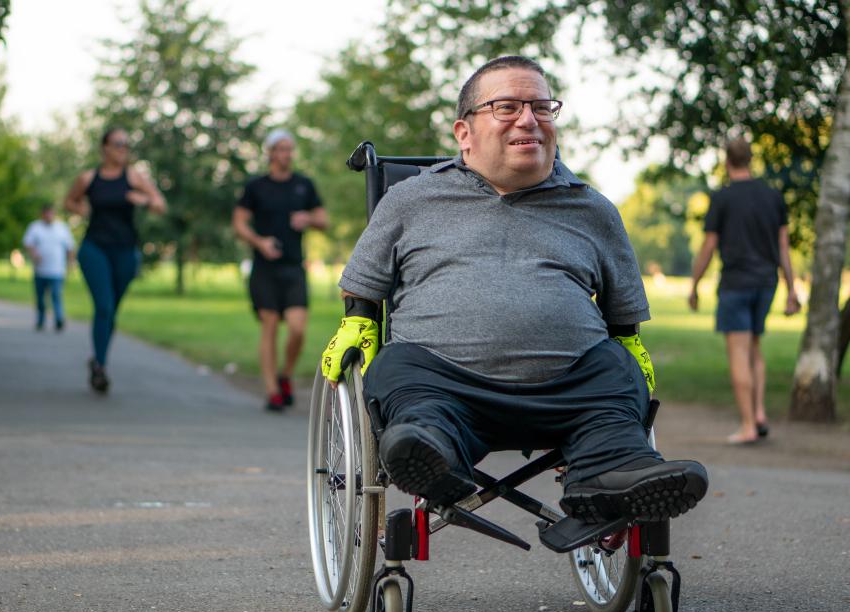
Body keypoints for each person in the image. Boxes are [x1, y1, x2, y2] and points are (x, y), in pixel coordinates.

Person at [320, 55, 708, 524]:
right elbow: (364, 287)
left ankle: (611, 476)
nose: (529, 119)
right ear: (464, 133)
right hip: (443, 383)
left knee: (616, 376)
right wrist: (357, 322)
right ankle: (431, 460)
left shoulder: (592, 208)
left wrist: (629, 353)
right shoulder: (411, 198)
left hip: (573, 388)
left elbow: (622, 316)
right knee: (402, 377)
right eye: (506, 107)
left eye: (542, 108)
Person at [689, 136, 800, 444]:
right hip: (767, 283)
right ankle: (760, 411)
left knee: (739, 352)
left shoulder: (722, 198)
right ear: (751, 159)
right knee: (754, 346)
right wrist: (792, 289)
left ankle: (749, 425)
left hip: (736, 283)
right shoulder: (772, 196)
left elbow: (709, 246)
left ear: (727, 161)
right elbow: (783, 247)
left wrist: (694, 284)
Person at [233, 129, 329, 411]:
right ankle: (273, 391)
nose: (286, 154)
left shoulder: (304, 185)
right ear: (271, 153)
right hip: (264, 269)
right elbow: (238, 222)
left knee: (298, 329)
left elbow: (323, 220)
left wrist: (307, 218)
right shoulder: (256, 186)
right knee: (270, 326)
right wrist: (259, 242)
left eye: (290, 149)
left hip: (293, 267)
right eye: (281, 149)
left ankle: (285, 374)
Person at [64, 128, 166, 393]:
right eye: (118, 144)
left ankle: (98, 359)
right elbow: (69, 201)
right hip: (94, 248)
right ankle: (99, 366)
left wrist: (142, 199)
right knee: (104, 306)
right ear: (105, 148)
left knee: (112, 311)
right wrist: (81, 208)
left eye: (126, 145)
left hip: (125, 250)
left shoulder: (134, 177)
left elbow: (160, 205)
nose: (123, 149)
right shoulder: (88, 178)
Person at [23, 203, 76, 332]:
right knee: (40, 298)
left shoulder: (62, 228)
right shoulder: (35, 227)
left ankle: (59, 319)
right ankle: (41, 320)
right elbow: (28, 243)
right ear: (42, 214)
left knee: (56, 295)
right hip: (40, 270)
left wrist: (71, 262)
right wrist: (34, 254)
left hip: (57, 270)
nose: (49, 216)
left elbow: (70, 247)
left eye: (51, 213)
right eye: (46, 213)